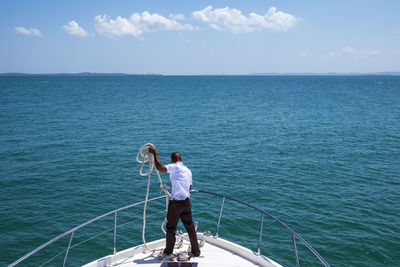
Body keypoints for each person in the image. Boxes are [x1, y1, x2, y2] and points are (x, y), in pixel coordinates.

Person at [148, 145, 201, 258]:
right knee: (190, 228)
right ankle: (196, 251)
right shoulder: (188, 170)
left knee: (171, 228)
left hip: (176, 204)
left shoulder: (174, 167)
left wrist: (155, 153)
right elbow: (189, 187)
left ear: (173, 160)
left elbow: (160, 168)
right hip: (186, 202)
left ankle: (168, 251)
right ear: (181, 159)